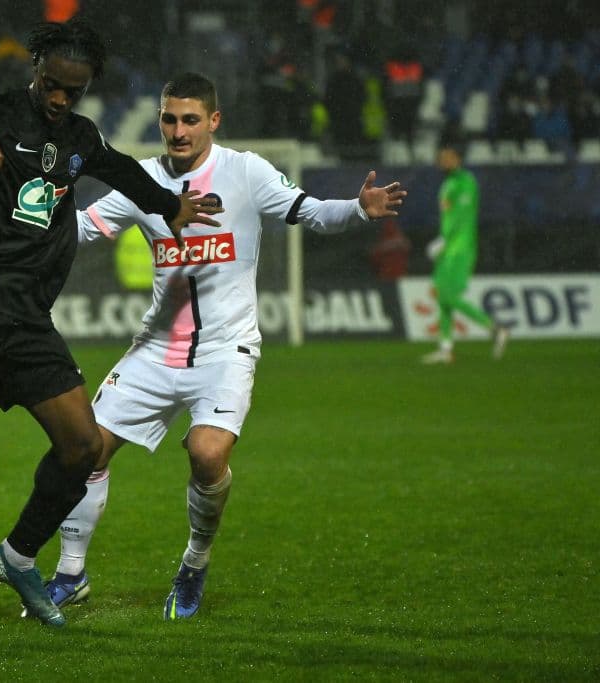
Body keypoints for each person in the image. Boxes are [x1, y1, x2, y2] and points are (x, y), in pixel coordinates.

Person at [0, 21, 221, 644]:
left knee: (83, 445)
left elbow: (122, 172)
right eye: (52, 85)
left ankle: (16, 556)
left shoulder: (81, 138)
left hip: (25, 316)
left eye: (74, 90)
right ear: (34, 67)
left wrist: (174, 207)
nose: (60, 99)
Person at [43, 72, 407, 619]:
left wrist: (358, 208)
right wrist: (22, 216)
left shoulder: (244, 172)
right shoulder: (143, 182)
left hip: (225, 351)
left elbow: (309, 211)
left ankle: (194, 563)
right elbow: (81, 228)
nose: (178, 131)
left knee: (207, 454)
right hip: (155, 347)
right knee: (86, 450)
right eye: (169, 119)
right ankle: (70, 574)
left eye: (191, 120)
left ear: (213, 121)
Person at [422, 139, 509, 364]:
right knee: (442, 298)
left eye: (448, 156)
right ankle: (445, 348)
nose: (443, 161)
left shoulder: (465, 182)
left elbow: (461, 216)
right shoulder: (447, 184)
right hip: (448, 249)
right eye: (441, 157)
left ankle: (495, 328)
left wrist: (444, 239)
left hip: (460, 248)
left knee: (449, 296)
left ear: (458, 159)